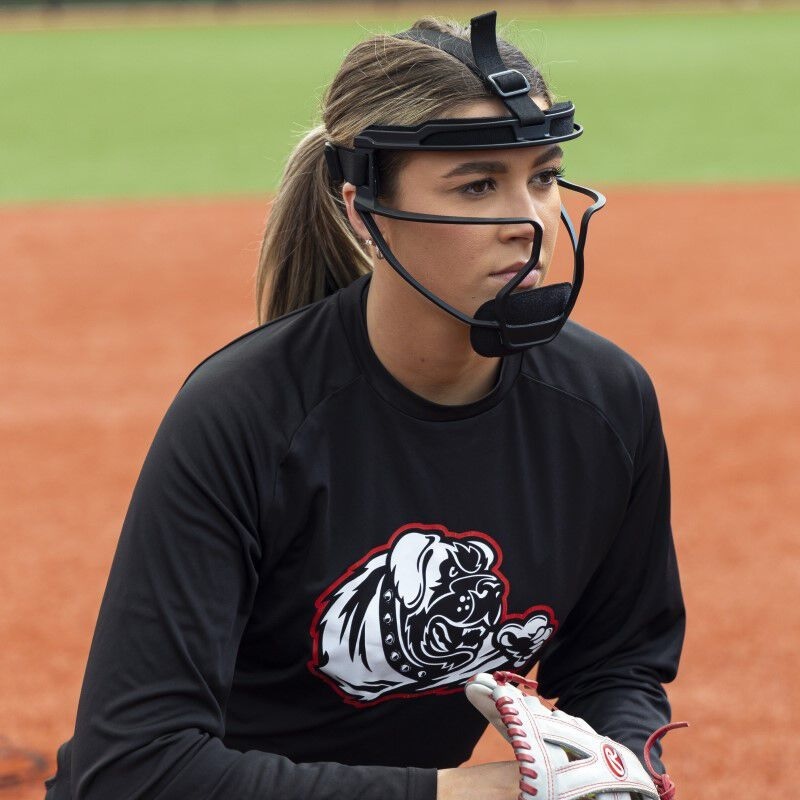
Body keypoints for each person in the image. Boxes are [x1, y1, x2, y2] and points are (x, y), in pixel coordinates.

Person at [44, 11, 684, 800]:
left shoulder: (606, 404)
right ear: (363, 210)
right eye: (479, 184)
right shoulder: (245, 415)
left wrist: (622, 769)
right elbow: (135, 767)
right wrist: (456, 793)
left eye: (544, 177)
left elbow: (619, 661)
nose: (533, 224)